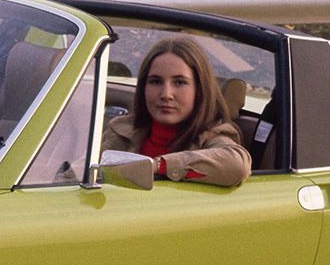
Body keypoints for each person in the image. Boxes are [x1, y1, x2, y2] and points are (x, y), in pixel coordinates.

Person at [101, 37, 252, 187]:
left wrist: (157, 166)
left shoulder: (213, 135)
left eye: (180, 82)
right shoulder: (120, 129)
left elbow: (237, 165)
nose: (166, 94)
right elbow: (81, 172)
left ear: (199, 89)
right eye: (155, 81)